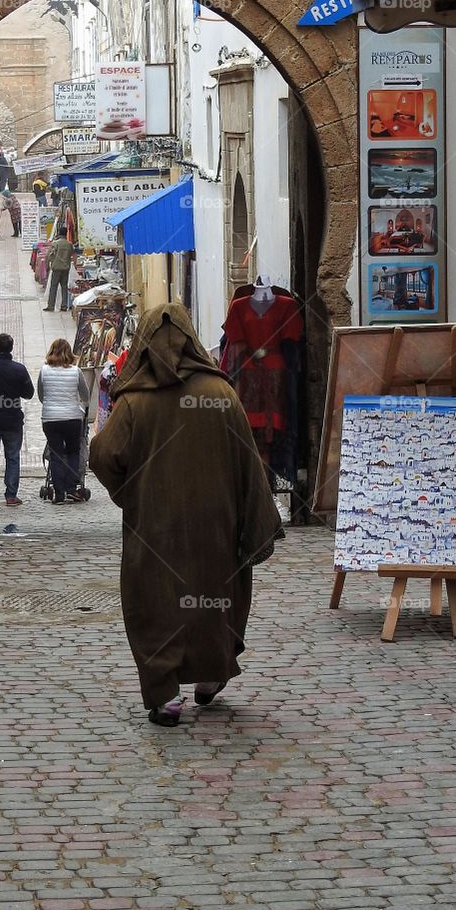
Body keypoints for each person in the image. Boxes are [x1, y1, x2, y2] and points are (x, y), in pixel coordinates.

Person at [89, 304, 282, 727]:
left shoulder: (135, 401)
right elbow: (249, 463)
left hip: (155, 527)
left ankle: (165, 695)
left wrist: (130, 492)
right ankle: (211, 675)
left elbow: (103, 455)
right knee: (216, 597)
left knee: (155, 601)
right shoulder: (221, 394)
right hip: (218, 524)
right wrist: (250, 517)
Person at [0, 333, 34, 509]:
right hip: (12, 420)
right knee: (12, 457)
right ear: (11, 348)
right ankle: (11, 495)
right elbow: (29, 393)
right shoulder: (19, 369)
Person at [38, 338, 89, 504]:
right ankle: (71, 488)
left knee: (56, 454)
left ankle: (59, 493)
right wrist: (80, 405)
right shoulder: (76, 371)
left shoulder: (44, 370)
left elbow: (41, 394)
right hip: (72, 418)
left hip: (50, 418)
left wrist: (51, 405)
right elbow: (85, 395)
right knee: (73, 452)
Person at [43, 226, 75, 312]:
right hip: (66, 268)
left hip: (56, 268)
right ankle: (64, 306)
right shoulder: (69, 244)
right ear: (66, 234)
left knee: (53, 287)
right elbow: (73, 255)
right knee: (64, 287)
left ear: (59, 233)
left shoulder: (55, 243)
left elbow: (49, 256)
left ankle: (51, 306)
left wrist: (47, 267)